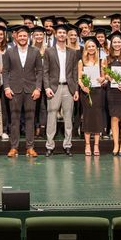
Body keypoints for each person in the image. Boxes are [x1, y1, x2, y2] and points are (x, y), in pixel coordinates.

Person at [2, 26, 44, 157]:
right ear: (16, 37)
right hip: (14, 90)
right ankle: (14, 147)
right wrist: (6, 87)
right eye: (20, 36)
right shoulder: (9, 52)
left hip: (31, 90)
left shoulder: (35, 51)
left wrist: (38, 88)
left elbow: (40, 71)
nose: (22, 38)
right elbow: (5, 71)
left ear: (28, 37)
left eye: (24, 36)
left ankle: (30, 147)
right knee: (14, 119)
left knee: (30, 119)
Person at [43, 24, 79, 156]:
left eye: (64, 32)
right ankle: (49, 146)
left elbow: (75, 72)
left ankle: (67, 145)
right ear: (56, 34)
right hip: (54, 87)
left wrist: (76, 90)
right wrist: (47, 87)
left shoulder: (72, 52)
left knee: (68, 116)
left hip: (68, 87)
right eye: (60, 32)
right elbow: (45, 72)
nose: (62, 34)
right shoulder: (49, 51)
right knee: (51, 116)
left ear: (66, 35)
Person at [77, 36, 104, 155]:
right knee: (87, 117)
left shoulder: (101, 61)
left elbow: (104, 76)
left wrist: (102, 79)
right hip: (86, 92)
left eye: (93, 46)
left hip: (98, 92)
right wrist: (83, 87)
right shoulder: (81, 62)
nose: (91, 48)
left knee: (97, 117)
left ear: (96, 48)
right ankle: (87, 144)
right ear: (86, 49)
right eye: (89, 46)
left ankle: (96, 145)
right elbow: (79, 78)